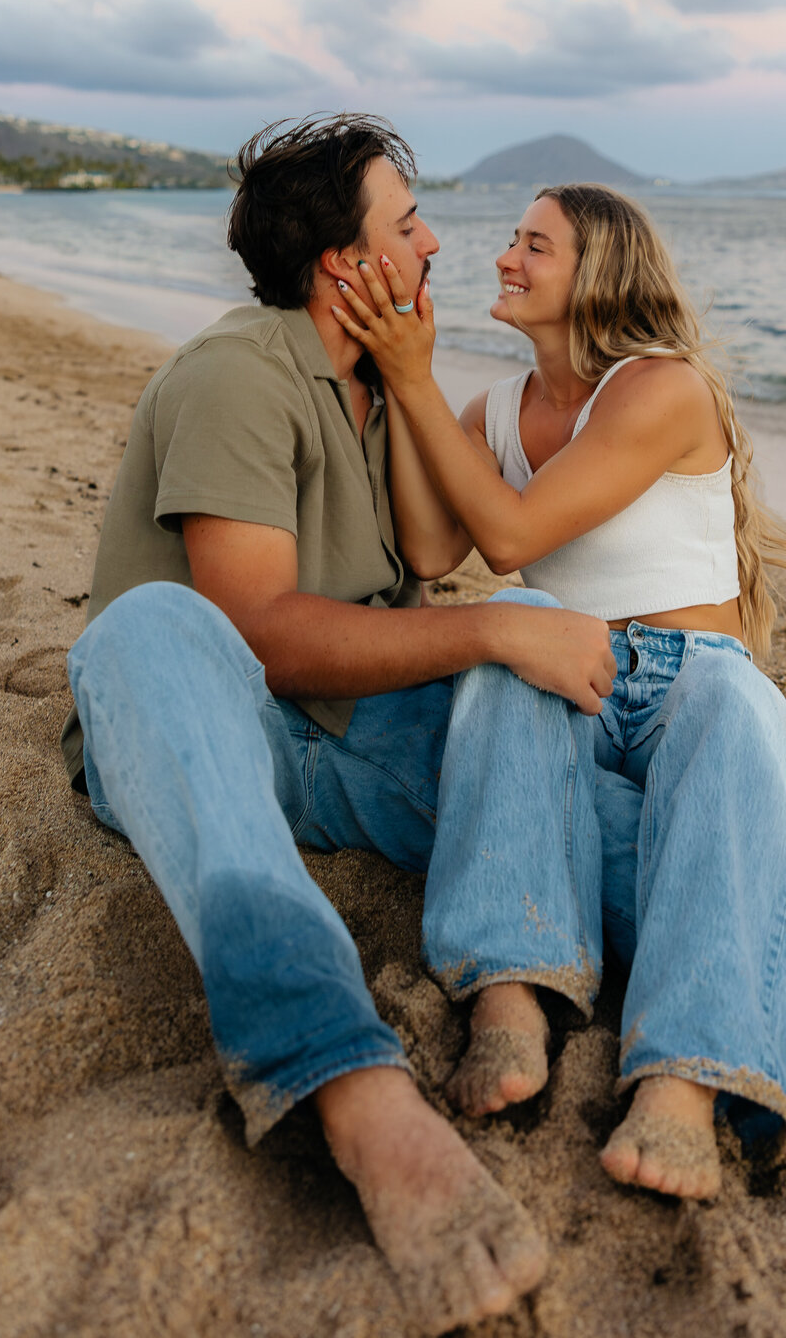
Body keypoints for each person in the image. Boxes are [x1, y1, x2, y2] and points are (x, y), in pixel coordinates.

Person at [330, 176, 786, 1195]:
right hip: (567, 671)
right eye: (512, 239)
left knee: (731, 705)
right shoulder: (495, 411)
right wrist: (416, 389)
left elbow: (511, 534)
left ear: (599, 275)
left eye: (535, 245)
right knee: (515, 628)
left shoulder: (661, 386)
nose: (505, 257)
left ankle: (685, 1080)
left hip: (688, 675)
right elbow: (436, 544)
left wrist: (410, 381)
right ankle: (509, 991)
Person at [63, 117, 621, 1336]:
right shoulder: (238, 374)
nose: (435, 243)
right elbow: (257, 631)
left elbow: (430, 562)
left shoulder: (379, 391)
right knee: (147, 627)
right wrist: (489, 630)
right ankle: (351, 1082)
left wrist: (492, 622)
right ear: (343, 265)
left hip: (347, 734)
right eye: (407, 222)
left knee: (615, 826)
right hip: (213, 735)